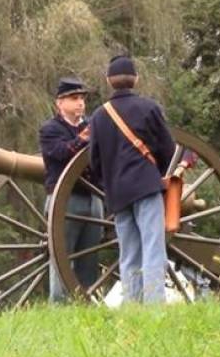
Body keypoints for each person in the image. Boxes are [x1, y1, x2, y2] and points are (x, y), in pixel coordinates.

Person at [89, 56, 175, 304]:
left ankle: (133, 307)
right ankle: (155, 307)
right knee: (153, 248)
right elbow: (167, 150)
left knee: (129, 254)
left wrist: (109, 185)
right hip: (147, 186)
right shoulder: (149, 108)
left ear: (109, 81)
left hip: (117, 193)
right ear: (136, 80)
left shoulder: (98, 116)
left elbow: (94, 161)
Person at [39, 77, 104, 302]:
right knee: (61, 257)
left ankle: (86, 302)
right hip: (65, 200)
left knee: (89, 258)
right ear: (60, 103)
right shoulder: (50, 129)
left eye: (82, 99)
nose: (80, 104)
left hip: (93, 199)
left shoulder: (91, 127)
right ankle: (59, 306)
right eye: (74, 99)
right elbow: (60, 154)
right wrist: (83, 138)